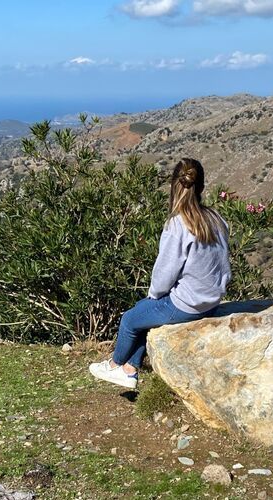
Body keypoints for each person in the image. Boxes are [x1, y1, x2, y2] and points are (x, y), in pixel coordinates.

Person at [89, 158, 231, 389]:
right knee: (146, 316)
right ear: (202, 187)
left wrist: (154, 295)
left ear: (174, 186)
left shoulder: (178, 225)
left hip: (187, 305)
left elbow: (164, 273)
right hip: (211, 301)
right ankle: (130, 369)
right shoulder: (216, 219)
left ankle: (115, 365)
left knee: (130, 319)